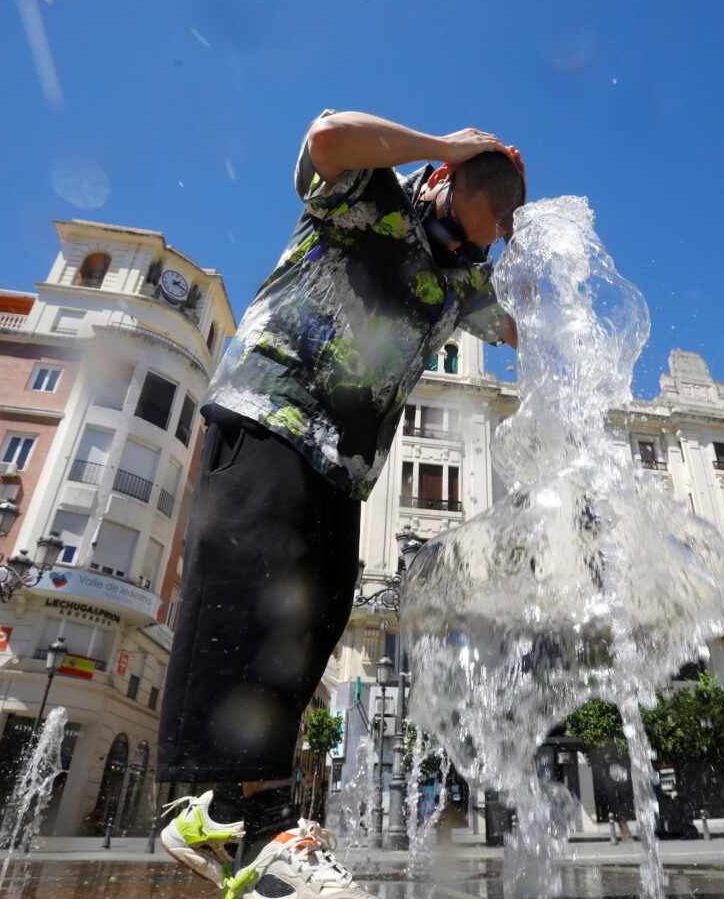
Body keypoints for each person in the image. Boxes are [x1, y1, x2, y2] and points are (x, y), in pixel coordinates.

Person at [157, 110, 525, 899]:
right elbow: (328, 135)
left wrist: (533, 251)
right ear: (438, 185)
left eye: (480, 243)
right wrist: (446, 146)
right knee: (252, 593)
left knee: (310, 622)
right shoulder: (371, 193)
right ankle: (263, 832)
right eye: (461, 226)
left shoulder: (462, 281)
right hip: (271, 408)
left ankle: (216, 811)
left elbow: (522, 330)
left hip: (344, 463)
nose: (463, 250)